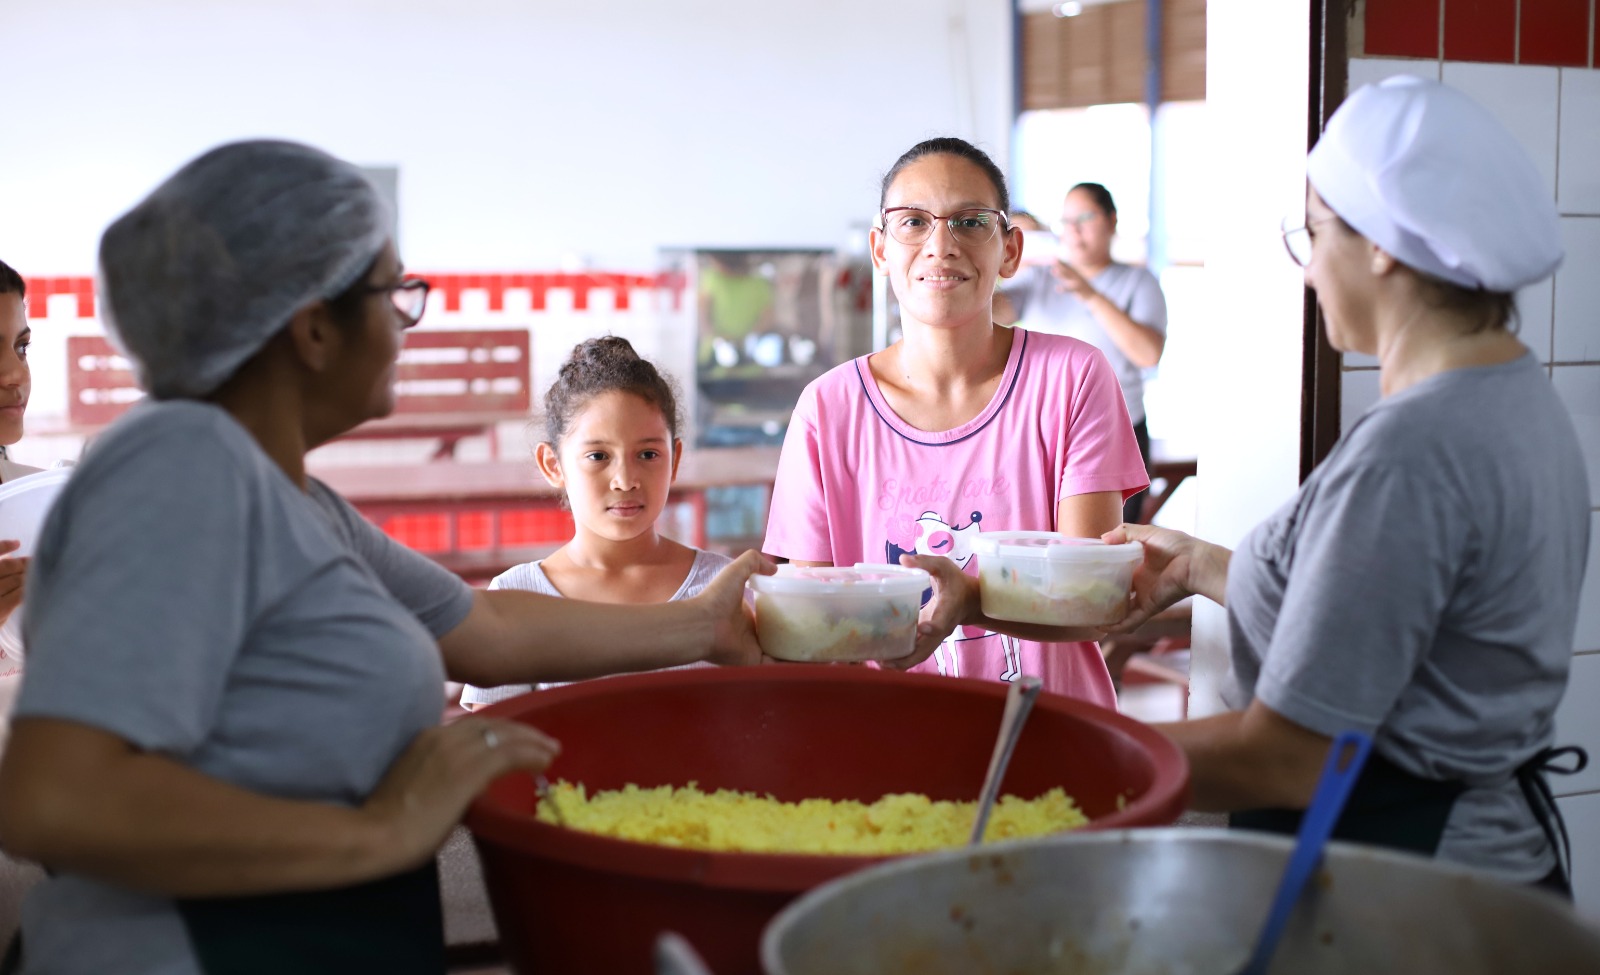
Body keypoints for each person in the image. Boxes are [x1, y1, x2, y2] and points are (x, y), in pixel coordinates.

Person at [0, 140, 772, 975]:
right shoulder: (183, 472)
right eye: (393, 293)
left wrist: (703, 621)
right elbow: (52, 795)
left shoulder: (291, 498)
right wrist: (381, 828)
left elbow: (488, 627)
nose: (407, 321)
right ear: (315, 326)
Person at [1069, 78, 1582, 892]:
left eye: (1313, 234)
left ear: (1380, 243)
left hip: (1409, 893)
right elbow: (1390, 623)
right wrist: (1200, 565)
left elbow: (1289, 758)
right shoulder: (1512, 394)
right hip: (1489, 871)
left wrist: (1061, 754)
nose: (1308, 272)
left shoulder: (1412, 453)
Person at [762, 137, 1148, 706]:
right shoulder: (827, 408)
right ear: (880, 249)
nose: (941, 245)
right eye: (913, 222)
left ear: (1011, 251)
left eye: (970, 222)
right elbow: (814, 626)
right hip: (888, 750)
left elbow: (1087, 604)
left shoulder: (1073, 378)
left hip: (1053, 736)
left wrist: (964, 596)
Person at [461, 336, 731, 709]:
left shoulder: (723, 589)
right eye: (599, 455)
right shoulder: (515, 597)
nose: (625, 479)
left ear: (675, 459)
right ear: (553, 465)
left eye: (649, 454)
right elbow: (492, 746)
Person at [995, 183, 1168, 523]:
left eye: (1084, 218)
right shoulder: (1040, 278)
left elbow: (1148, 354)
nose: (1073, 231)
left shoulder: (1138, 281)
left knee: (1106, 548)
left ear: (1111, 221)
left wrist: (1088, 293)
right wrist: (995, 262)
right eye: (1065, 221)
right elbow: (990, 312)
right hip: (1043, 433)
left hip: (1119, 431)